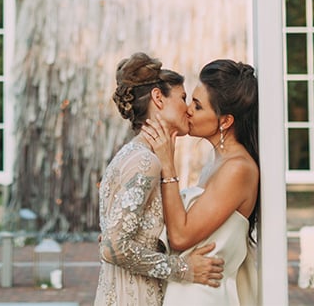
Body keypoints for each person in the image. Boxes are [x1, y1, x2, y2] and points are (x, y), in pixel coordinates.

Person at [94, 52, 226, 306]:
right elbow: (113, 247)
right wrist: (183, 268)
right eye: (183, 98)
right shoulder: (145, 162)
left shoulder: (134, 154)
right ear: (158, 98)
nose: (188, 108)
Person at [142, 58, 260, 306]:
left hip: (205, 295)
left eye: (197, 106)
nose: (187, 110)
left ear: (225, 121)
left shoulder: (238, 168)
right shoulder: (216, 161)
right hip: (188, 289)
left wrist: (168, 164)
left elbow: (181, 237)